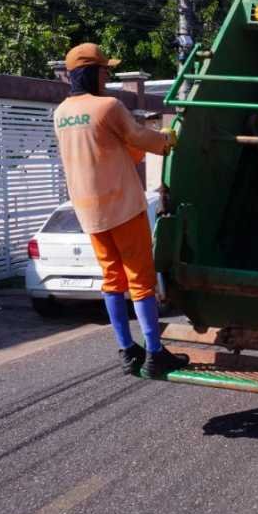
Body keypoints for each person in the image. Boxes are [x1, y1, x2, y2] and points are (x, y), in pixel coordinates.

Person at [53, 43, 188, 378]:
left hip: (89, 212)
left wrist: (134, 148)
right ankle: (155, 354)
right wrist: (168, 137)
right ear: (91, 72)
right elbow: (141, 138)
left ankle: (127, 350)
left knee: (112, 280)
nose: (108, 75)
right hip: (122, 207)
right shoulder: (108, 106)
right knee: (140, 281)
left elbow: (102, 150)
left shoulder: (61, 113)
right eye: (104, 69)